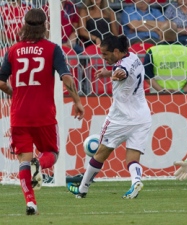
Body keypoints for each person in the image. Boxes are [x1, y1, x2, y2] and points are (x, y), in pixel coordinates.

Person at [0, 8, 85, 215]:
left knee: (23, 160)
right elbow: (66, 77)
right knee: (52, 154)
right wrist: (77, 101)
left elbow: (1, 81)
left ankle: (31, 203)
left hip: (19, 115)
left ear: (24, 26)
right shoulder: (52, 49)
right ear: (45, 26)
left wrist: (14, 92)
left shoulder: (13, 50)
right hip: (44, 114)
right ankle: (40, 164)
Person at [67, 35, 152, 199]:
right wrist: (108, 72)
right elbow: (122, 67)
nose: (103, 57)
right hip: (142, 117)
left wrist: (115, 75)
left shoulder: (122, 68)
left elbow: (122, 72)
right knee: (132, 158)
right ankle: (136, 182)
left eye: (105, 55)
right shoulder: (133, 57)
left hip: (120, 119)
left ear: (116, 51)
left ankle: (82, 189)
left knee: (100, 154)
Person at [143, 22, 187, 93]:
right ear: (176, 35)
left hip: (157, 96)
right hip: (181, 97)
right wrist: (181, 91)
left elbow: (147, 76)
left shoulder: (153, 51)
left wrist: (162, 91)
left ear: (161, 34)